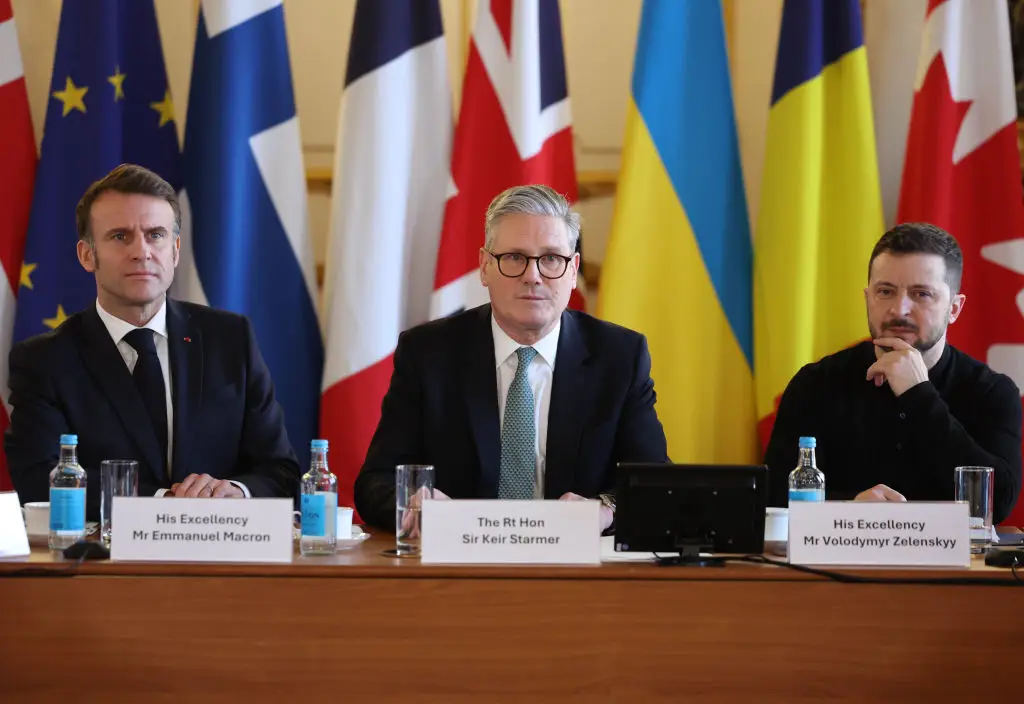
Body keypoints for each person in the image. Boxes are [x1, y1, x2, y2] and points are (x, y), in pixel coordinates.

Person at [354, 185, 669, 532]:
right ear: (485, 267)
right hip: (459, 570)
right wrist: (413, 502)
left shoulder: (619, 357)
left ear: (573, 268)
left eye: (551, 258)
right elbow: (375, 484)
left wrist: (605, 510)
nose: (532, 275)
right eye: (515, 257)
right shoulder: (429, 354)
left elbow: (654, 484)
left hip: (577, 573)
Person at [5, 164, 300, 520]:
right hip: (103, 569)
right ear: (87, 255)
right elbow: (39, 480)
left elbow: (281, 472)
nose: (141, 251)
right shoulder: (44, 360)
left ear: (175, 250)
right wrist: (164, 504)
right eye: (120, 236)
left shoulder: (231, 340)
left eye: (155, 235)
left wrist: (235, 492)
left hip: (221, 563)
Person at [765, 223, 1022, 523]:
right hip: (837, 563)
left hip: (955, 568)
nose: (899, 310)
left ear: (954, 308)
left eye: (921, 294)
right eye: (885, 291)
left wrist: (919, 396)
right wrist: (846, 509)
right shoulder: (815, 384)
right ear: (867, 298)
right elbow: (773, 499)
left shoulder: (992, 392)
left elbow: (997, 504)